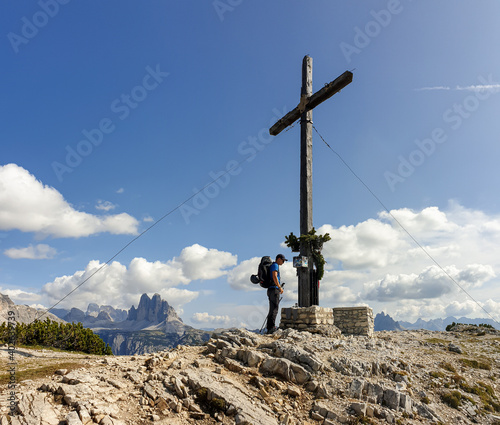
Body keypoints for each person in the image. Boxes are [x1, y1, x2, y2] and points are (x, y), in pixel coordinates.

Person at [266, 253, 287, 334]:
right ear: (278, 259)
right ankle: (271, 327)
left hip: (270, 289)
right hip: (274, 289)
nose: (283, 262)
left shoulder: (273, 265)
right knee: (274, 309)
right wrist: (279, 287)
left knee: (272, 309)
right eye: (283, 260)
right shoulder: (275, 265)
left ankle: (269, 327)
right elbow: (275, 276)